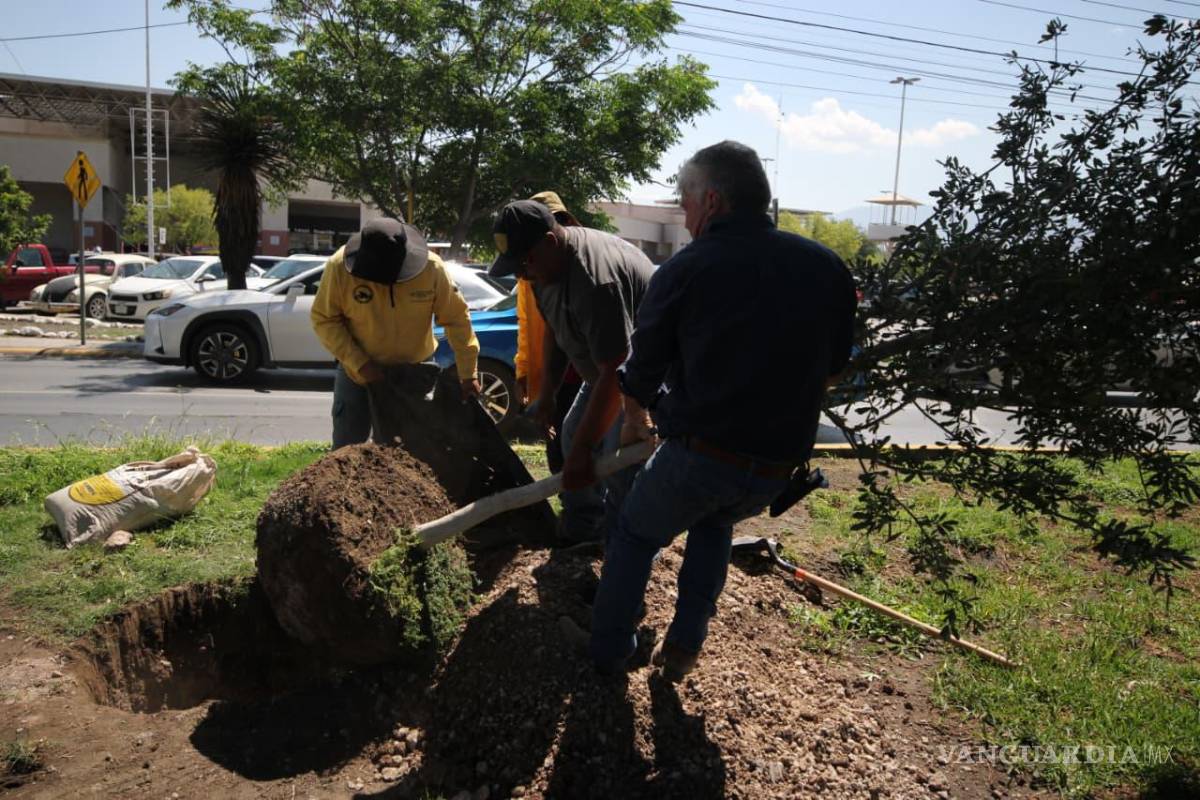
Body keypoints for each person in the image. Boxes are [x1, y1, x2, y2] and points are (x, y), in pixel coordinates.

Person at [588, 140, 857, 680]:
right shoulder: (827, 268)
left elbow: (640, 373)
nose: (683, 213)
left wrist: (636, 422)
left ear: (711, 200)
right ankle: (683, 650)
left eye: (685, 199)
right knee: (714, 526)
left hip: (701, 455)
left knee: (636, 534)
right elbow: (833, 369)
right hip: (773, 467)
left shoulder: (686, 269)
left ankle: (608, 654)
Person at [490, 199, 654, 542]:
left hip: (643, 376)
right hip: (607, 367)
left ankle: (619, 553)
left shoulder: (595, 282)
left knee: (619, 461)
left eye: (523, 262)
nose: (521, 274)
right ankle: (583, 532)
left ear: (549, 242)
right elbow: (555, 330)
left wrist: (584, 451)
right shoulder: (541, 268)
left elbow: (618, 369)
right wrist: (547, 393)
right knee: (571, 436)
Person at [311, 216, 480, 448]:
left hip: (414, 375)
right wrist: (360, 364)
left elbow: (457, 319)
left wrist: (468, 373)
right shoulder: (339, 267)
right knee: (346, 451)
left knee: (414, 451)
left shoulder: (432, 268)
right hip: (357, 376)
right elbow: (324, 319)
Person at [515, 192, 594, 534]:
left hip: (589, 374)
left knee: (587, 445)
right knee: (557, 447)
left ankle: (591, 520)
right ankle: (573, 514)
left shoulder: (586, 264)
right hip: (556, 375)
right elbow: (531, 327)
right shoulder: (528, 269)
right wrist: (524, 372)